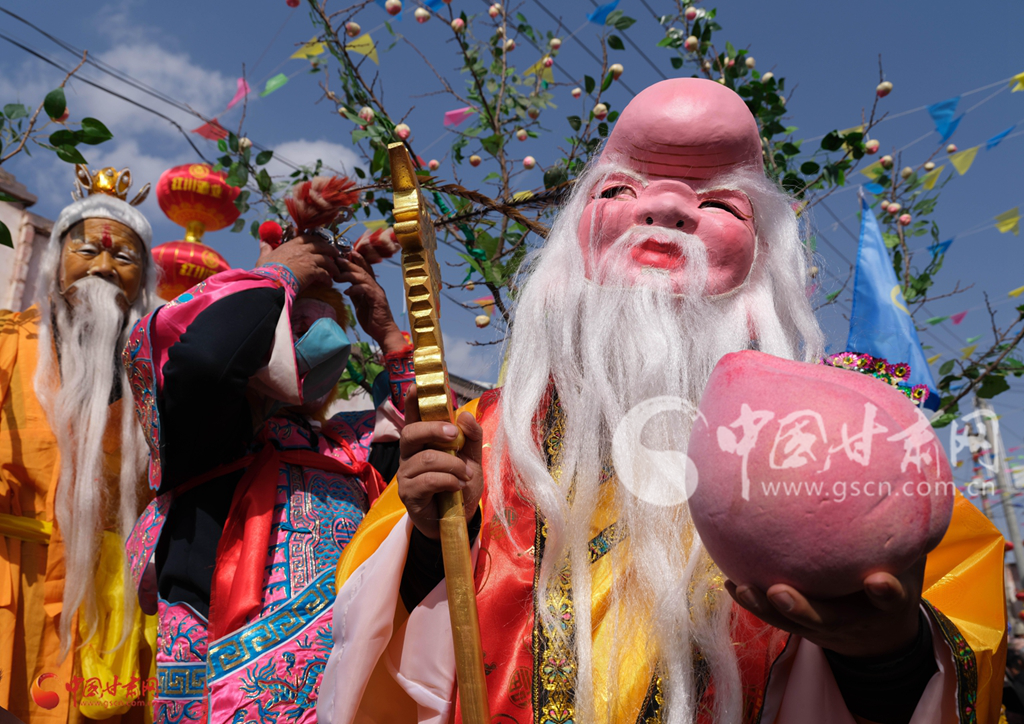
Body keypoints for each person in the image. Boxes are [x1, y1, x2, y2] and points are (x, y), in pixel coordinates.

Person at [317, 79, 1006, 724]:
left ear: (765, 258)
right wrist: (438, 540)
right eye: (622, 188)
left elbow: (956, 631)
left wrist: (885, 655)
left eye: (718, 205)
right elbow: (370, 649)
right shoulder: (486, 437)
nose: (668, 210)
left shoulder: (836, 445)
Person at [121, 231, 415, 724]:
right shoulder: (207, 431)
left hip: (346, 689)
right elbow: (207, 361)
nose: (316, 337)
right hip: (223, 688)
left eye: (325, 324)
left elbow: (438, 439)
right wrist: (278, 276)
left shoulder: (352, 446)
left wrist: (387, 333)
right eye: (296, 322)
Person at [0, 165, 158, 723]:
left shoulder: (154, 384)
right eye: (86, 249)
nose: (104, 267)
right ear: (54, 261)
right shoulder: (8, 345)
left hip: (106, 618)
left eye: (124, 257)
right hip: (15, 590)